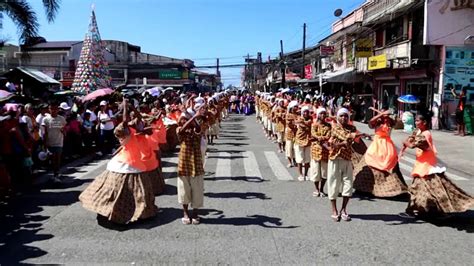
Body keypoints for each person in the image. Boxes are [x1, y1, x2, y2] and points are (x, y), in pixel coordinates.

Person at [79, 98, 158, 225]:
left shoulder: (128, 128)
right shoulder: (121, 129)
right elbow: (126, 121)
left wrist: (131, 108)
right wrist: (126, 107)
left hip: (129, 159)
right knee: (137, 188)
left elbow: (138, 119)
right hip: (128, 161)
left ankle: (141, 210)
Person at [399, 114, 474, 218]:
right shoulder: (418, 131)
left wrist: (405, 142)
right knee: (425, 190)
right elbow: (411, 139)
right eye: (415, 121)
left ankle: (415, 210)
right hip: (422, 163)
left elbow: (411, 144)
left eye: (417, 121)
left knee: (426, 190)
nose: (415, 123)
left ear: (424, 122)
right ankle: (424, 210)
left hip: (427, 164)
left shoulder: (426, 134)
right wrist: (408, 140)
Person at [353, 108, 408, 197]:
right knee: (368, 163)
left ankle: (395, 189)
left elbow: (397, 123)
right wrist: (380, 114)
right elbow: (370, 123)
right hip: (376, 144)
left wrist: (388, 115)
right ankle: (364, 188)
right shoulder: (377, 121)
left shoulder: (390, 121)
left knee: (391, 166)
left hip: (387, 145)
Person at [176, 106, 206, 225]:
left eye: (186, 120)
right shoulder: (179, 130)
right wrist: (193, 116)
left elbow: (198, 129)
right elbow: (182, 130)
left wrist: (194, 118)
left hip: (197, 165)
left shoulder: (197, 130)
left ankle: (195, 213)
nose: (184, 121)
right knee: (184, 191)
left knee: (197, 191)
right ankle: (185, 213)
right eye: (183, 120)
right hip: (184, 166)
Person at [327, 108, 358, 222]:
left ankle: (344, 209)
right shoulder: (334, 126)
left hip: (347, 159)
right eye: (341, 116)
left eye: (346, 116)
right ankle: (334, 210)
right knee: (333, 185)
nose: (344, 118)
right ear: (337, 117)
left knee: (348, 185)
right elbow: (347, 137)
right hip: (335, 159)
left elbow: (351, 141)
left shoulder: (352, 128)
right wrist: (346, 141)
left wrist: (338, 144)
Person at [42, 102, 67, 183]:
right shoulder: (45, 119)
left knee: (58, 159)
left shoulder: (61, 119)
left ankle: (56, 174)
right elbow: (44, 132)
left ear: (58, 109)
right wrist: (45, 144)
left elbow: (65, 130)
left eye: (55, 109)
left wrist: (63, 131)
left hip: (59, 142)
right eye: (52, 109)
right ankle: (54, 173)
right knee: (52, 159)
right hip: (50, 142)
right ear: (49, 109)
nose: (53, 110)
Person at [310, 107, 331, 197]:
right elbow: (313, 134)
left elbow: (329, 135)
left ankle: (322, 189)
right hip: (315, 150)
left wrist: (320, 138)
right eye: (321, 113)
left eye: (324, 113)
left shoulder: (328, 126)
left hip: (325, 151)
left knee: (324, 172)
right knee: (315, 171)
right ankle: (316, 189)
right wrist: (320, 137)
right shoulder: (314, 125)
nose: (322, 115)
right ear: (318, 115)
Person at [294, 105, 312, 181]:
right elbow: (300, 123)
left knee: (307, 159)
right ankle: (300, 174)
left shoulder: (310, 119)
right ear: (302, 113)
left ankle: (306, 174)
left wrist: (304, 124)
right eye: (304, 112)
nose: (305, 113)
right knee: (299, 159)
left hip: (308, 141)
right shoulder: (299, 119)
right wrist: (305, 124)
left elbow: (307, 124)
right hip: (299, 140)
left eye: (307, 112)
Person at [285, 101, 298, 168]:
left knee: (295, 148)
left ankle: (295, 160)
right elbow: (288, 122)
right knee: (289, 148)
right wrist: (295, 124)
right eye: (295, 107)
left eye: (296, 107)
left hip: (296, 134)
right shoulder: (288, 115)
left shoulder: (298, 114)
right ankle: (290, 162)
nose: (296, 108)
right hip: (289, 133)